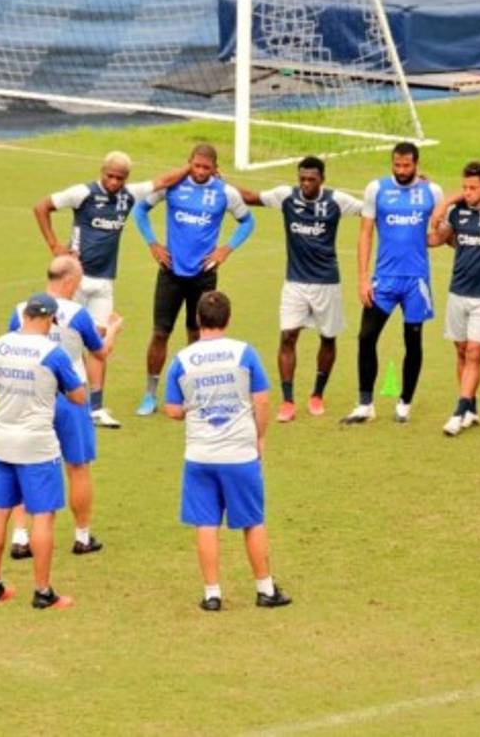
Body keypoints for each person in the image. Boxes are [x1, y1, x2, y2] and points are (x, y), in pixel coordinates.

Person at [34, 152, 189, 428]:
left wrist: (193, 167)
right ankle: (51, 400)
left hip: (104, 283)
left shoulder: (128, 195)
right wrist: (54, 246)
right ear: (102, 171)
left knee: (98, 345)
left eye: (120, 178)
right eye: (110, 176)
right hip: (76, 281)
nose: (114, 182)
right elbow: (41, 207)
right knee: (65, 342)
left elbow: (163, 180)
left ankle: (95, 408)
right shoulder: (82, 193)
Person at [163, 291, 290, 611]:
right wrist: (258, 436)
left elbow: (172, 410)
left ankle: (212, 594)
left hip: (200, 455)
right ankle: (264, 588)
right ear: (228, 320)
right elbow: (261, 401)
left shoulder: (182, 359)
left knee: (206, 524)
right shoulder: (244, 354)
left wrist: (193, 408)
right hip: (239, 454)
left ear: (198, 320)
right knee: (252, 521)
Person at [7, 257, 122, 559]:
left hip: (30, 394)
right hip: (71, 395)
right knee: (78, 466)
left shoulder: (21, 310)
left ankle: (20, 536)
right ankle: (82, 536)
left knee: (23, 462)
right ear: (69, 280)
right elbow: (101, 353)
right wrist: (113, 329)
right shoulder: (77, 314)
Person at [131, 143, 255, 416]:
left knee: (197, 334)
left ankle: (193, 394)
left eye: (206, 168)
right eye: (196, 166)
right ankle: (150, 394)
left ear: (214, 168)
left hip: (204, 274)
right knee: (160, 333)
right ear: (189, 163)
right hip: (171, 272)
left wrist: (226, 249)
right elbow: (139, 211)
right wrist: (153, 243)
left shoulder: (225, 192)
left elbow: (248, 222)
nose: (200, 172)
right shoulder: (173, 185)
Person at [235, 156, 362, 421]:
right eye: (302, 179)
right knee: (287, 337)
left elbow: (370, 210)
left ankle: (317, 394)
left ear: (322, 179)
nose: (305, 184)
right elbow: (251, 197)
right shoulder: (286, 197)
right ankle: (288, 401)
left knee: (328, 338)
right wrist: (219, 183)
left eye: (311, 180)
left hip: (327, 282)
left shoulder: (337, 200)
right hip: (294, 282)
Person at [0, 293, 87, 609]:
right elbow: (79, 396)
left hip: (3, 437)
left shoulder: (0, 344)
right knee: (43, 515)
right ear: (50, 319)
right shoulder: (52, 353)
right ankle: (42, 591)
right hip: (37, 443)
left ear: (24, 315)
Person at [341, 142, 443, 424]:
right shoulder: (377, 189)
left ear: (416, 164)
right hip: (383, 280)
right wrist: (363, 279)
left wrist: (438, 236)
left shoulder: (431, 192)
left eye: (406, 166)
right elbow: (365, 235)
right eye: (396, 165)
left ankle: (405, 402)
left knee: (413, 341)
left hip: (416, 282)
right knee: (365, 338)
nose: (401, 171)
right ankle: (365, 405)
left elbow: (442, 228)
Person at [428, 161, 480, 436]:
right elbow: (439, 239)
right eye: (463, 187)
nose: (467, 193)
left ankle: (458, 412)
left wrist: (450, 199)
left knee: (475, 353)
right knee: (462, 351)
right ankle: (472, 408)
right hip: (458, 291)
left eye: (473, 187)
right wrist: (441, 210)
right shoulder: (458, 212)